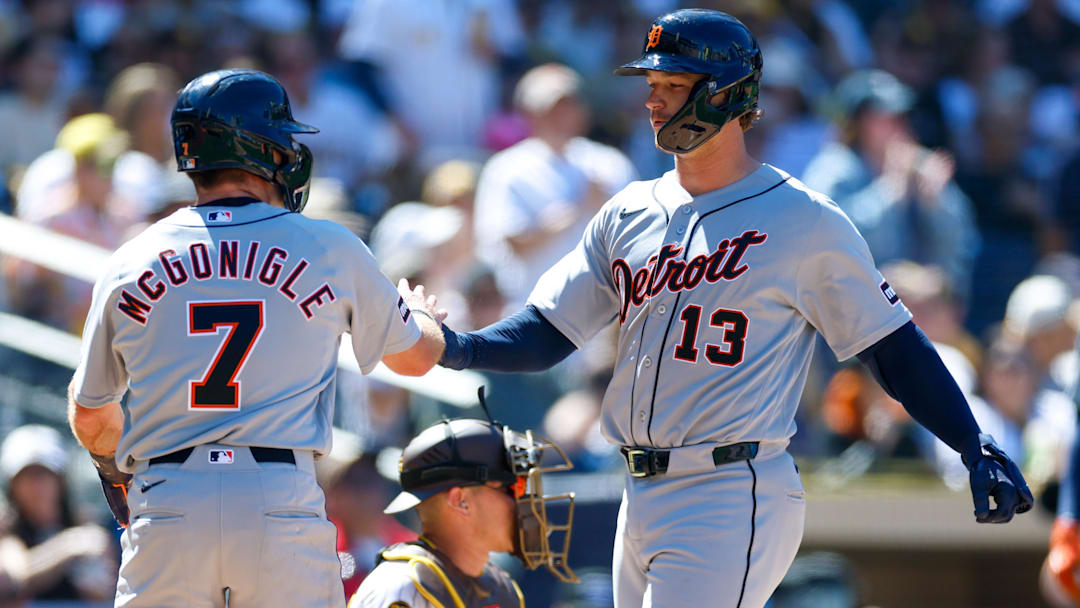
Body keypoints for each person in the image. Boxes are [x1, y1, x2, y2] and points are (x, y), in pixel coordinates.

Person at [419, 10, 1034, 607]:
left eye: (673, 85)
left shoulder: (804, 219)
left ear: (725, 94)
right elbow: (549, 330)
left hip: (728, 489)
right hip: (636, 491)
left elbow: (891, 344)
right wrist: (457, 347)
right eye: (652, 85)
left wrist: (970, 441)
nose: (653, 100)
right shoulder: (629, 209)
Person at [66, 69, 446, 607]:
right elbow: (416, 358)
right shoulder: (328, 244)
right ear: (259, 147)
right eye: (282, 139)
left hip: (169, 499)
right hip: (279, 499)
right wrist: (422, 315)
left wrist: (117, 475)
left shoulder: (132, 257)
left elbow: (90, 416)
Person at [350, 416, 577, 607]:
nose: (525, 502)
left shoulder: (501, 588)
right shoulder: (402, 588)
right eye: (513, 488)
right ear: (460, 500)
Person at [473, 63, 637, 307]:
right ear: (530, 113)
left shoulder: (610, 163)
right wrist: (575, 209)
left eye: (571, 105)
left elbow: (639, 234)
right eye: (553, 107)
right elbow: (512, 243)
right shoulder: (507, 169)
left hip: (603, 312)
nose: (564, 115)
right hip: (534, 309)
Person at [0, 425, 116, 603]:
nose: (36, 486)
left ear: (61, 480)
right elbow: (14, 577)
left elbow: (108, 590)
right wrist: (71, 546)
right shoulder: (9, 529)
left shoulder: (86, 524)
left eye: (44, 474)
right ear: (12, 486)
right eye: (26, 476)